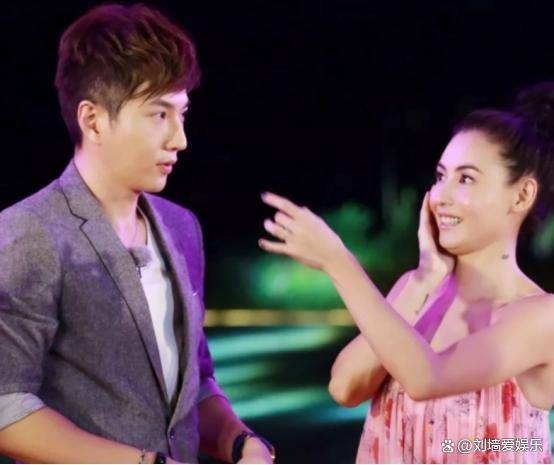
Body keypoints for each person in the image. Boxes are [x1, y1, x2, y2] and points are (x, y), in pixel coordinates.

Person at [0, 4, 274, 464]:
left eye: (182, 114)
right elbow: (7, 405)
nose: (180, 139)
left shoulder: (182, 228)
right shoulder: (29, 233)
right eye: (158, 115)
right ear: (93, 120)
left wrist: (242, 443)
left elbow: (195, 385)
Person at [259, 83, 554, 463]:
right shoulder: (418, 290)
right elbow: (345, 387)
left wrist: (339, 262)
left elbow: (427, 379)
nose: (441, 196)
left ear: (522, 195)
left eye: (465, 179)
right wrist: (422, 280)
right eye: (440, 176)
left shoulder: (540, 315)